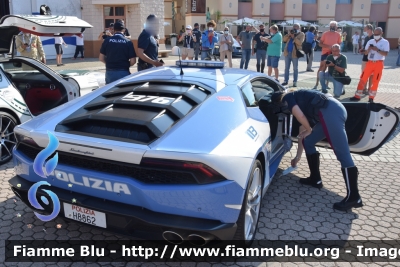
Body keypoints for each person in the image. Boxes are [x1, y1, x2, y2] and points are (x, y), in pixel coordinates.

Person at [271, 90, 363, 211]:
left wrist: (309, 129)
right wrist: (298, 157)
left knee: (343, 155)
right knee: (308, 141)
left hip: (331, 113)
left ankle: (354, 197)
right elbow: (301, 131)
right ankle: (315, 179)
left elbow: (300, 116)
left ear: (280, 101)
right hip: (332, 110)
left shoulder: (287, 98)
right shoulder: (299, 97)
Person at [350, 27, 389, 103]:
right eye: (375, 34)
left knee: (376, 80)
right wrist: (366, 50)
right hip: (370, 62)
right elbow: (366, 53)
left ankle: (371, 98)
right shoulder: (370, 41)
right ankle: (357, 96)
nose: (376, 35)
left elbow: (386, 54)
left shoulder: (385, 42)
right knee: (363, 78)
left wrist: (377, 49)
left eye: (377, 34)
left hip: (379, 63)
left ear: (381, 33)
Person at [312, 21, 341, 89]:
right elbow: (320, 44)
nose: (332, 27)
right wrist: (328, 46)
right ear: (329, 26)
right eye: (331, 26)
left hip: (334, 54)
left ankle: (326, 84)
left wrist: (335, 49)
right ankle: (316, 84)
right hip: (325, 53)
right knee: (322, 69)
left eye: (334, 26)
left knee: (330, 69)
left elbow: (339, 44)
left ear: (336, 27)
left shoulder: (338, 35)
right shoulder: (325, 34)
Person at [359, 24, 374, 95]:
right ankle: (364, 88)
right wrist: (362, 49)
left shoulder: (374, 38)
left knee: (371, 75)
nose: (364, 31)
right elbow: (365, 47)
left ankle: (369, 89)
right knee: (364, 74)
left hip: (372, 59)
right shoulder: (366, 38)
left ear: (369, 29)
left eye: (365, 29)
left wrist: (367, 50)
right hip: (365, 58)